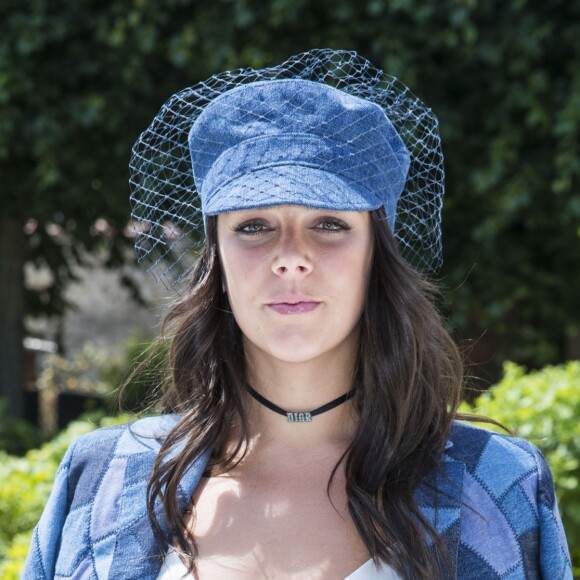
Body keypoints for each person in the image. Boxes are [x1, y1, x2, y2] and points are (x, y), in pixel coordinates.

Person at [23, 49, 571, 580]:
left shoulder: (497, 483)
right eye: (253, 226)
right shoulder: (100, 479)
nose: (290, 259)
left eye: (329, 224)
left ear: (375, 255)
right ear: (217, 260)